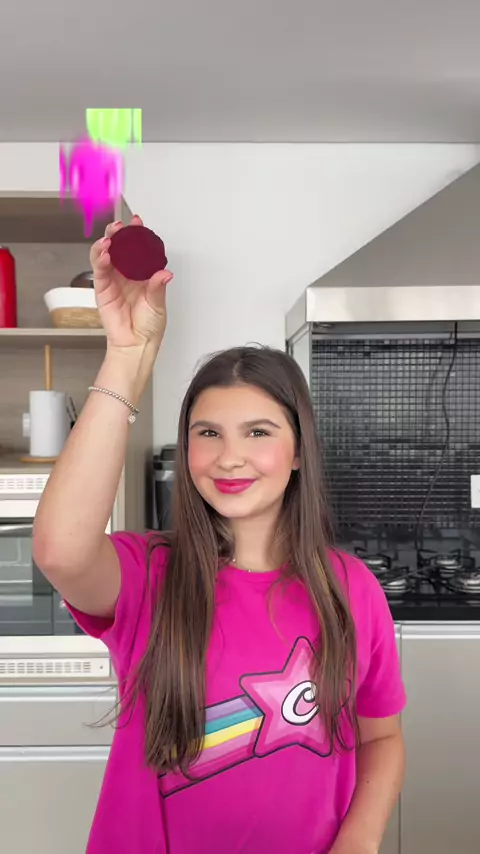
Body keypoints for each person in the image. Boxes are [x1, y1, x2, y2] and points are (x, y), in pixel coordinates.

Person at [33, 216, 406, 854]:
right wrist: (126, 356)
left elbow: (382, 737)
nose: (230, 457)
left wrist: (361, 838)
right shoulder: (150, 574)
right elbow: (62, 550)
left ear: (298, 452)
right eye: (208, 434)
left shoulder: (352, 589)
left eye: (258, 432)